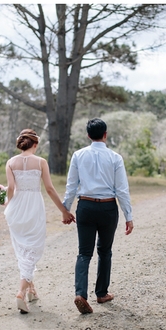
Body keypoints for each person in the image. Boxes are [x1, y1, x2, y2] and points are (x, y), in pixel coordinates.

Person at [62, 118, 133, 315]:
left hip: (85, 205)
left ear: (88, 135)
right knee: (105, 251)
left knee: (84, 253)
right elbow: (122, 190)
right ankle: (101, 293)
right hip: (108, 208)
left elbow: (71, 187)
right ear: (105, 134)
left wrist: (65, 210)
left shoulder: (78, 155)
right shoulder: (115, 158)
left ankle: (80, 294)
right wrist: (129, 216)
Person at [3, 128, 74, 313]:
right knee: (32, 248)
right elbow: (49, 189)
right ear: (35, 144)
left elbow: (11, 188)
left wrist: (7, 203)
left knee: (24, 249)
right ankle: (20, 293)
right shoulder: (41, 162)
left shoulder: (10, 162)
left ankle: (31, 290)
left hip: (17, 207)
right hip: (34, 206)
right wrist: (64, 211)